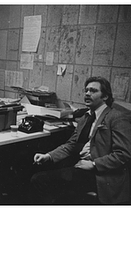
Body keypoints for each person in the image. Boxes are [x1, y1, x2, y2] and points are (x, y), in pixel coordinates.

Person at [30, 76, 131, 205]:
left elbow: (123, 154)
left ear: (105, 97)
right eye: (86, 90)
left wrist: (94, 164)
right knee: (35, 168)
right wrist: (48, 156)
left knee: (39, 180)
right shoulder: (86, 116)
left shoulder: (116, 118)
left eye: (93, 91)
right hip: (80, 163)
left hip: (100, 173)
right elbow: (72, 144)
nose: (87, 93)